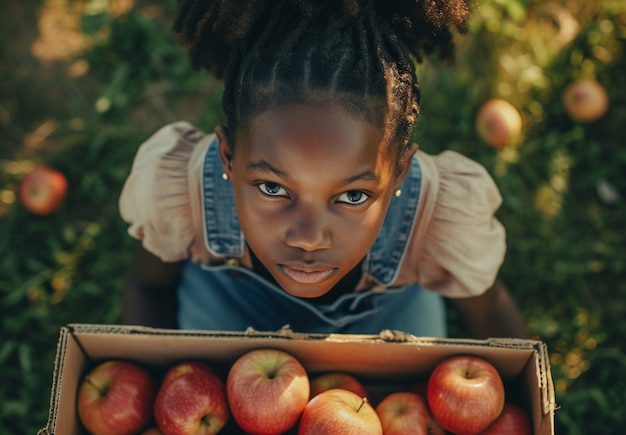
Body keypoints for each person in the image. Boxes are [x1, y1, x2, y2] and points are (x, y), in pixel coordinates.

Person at [119, 0, 528, 339]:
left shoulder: (437, 215)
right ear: (227, 157)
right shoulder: (184, 191)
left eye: (353, 196)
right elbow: (146, 286)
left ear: (400, 173)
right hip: (231, 306)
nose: (309, 239)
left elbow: (490, 313)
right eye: (272, 188)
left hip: (384, 317)